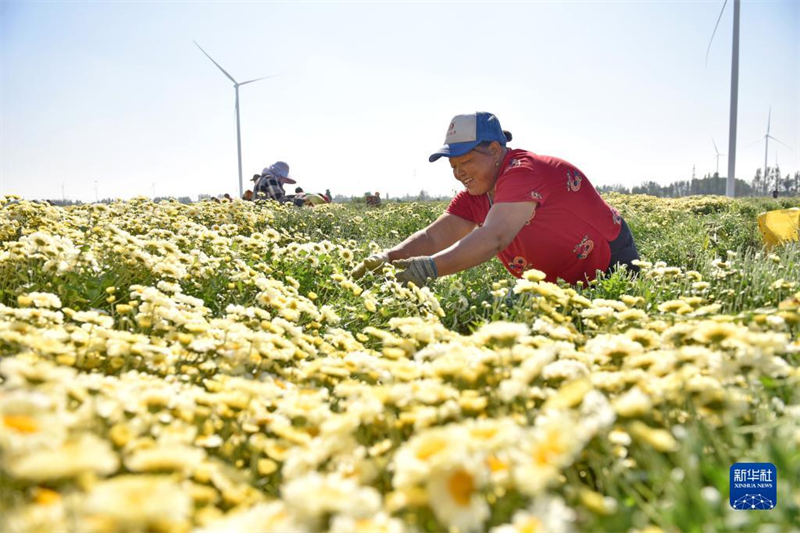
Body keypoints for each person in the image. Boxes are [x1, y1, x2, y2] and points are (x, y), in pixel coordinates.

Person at [352, 111, 639, 287]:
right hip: (557, 280)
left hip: (607, 261)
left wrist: (427, 269)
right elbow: (433, 237)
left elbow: (494, 237)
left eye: (465, 161)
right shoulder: (478, 192)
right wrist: (387, 258)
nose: (459, 173)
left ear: (494, 150)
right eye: (453, 166)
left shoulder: (522, 171)